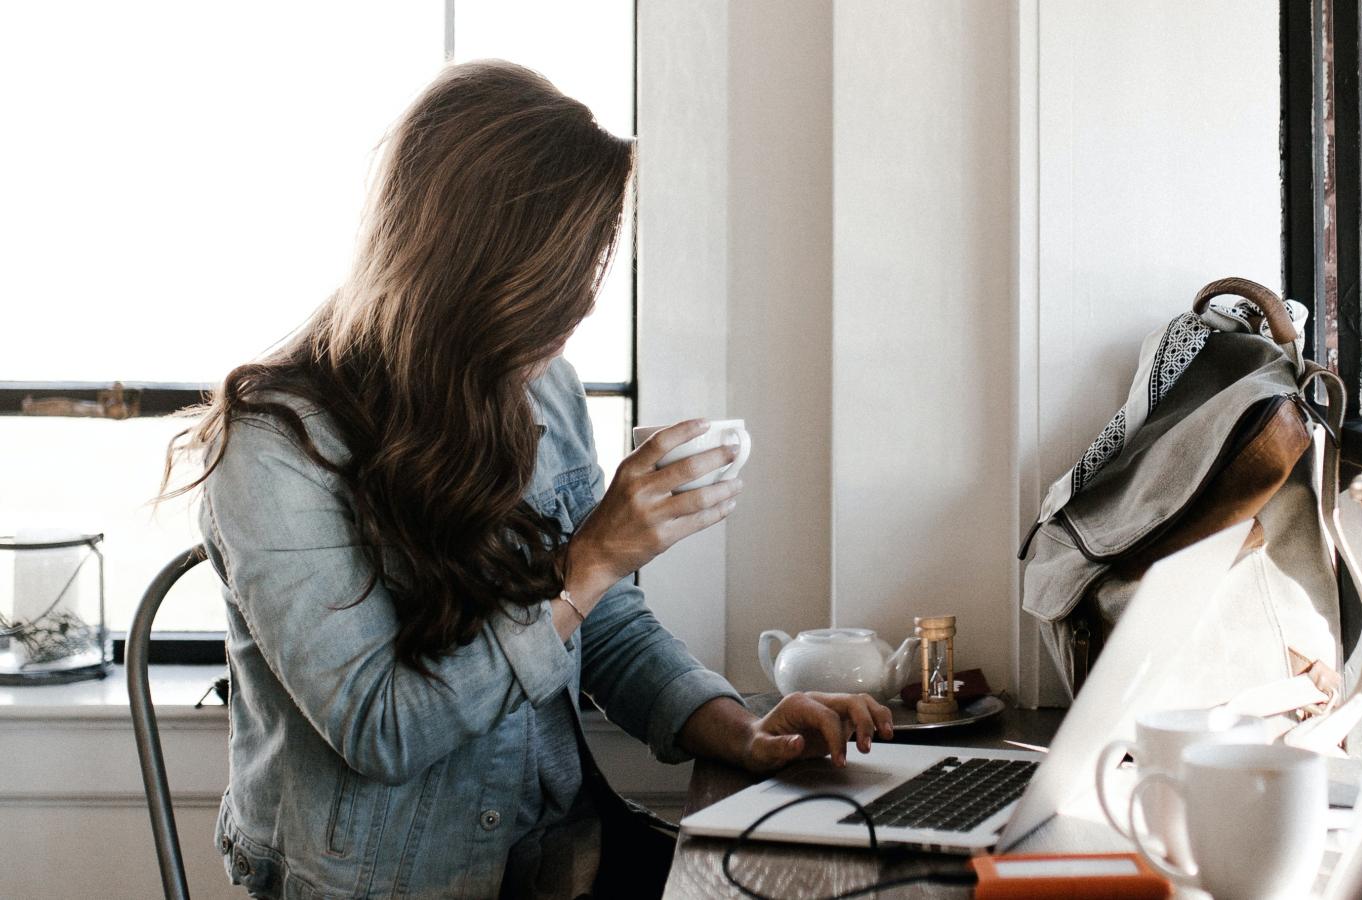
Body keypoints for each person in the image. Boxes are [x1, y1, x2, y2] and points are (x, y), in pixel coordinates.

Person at [161, 60, 892, 900]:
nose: (581, 305)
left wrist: (740, 729)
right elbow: (381, 727)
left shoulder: (540, 384)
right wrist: (586, 561)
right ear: (474, 269)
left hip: (560, 858)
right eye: (563, 280)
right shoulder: (274, 447)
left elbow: (604, 626)